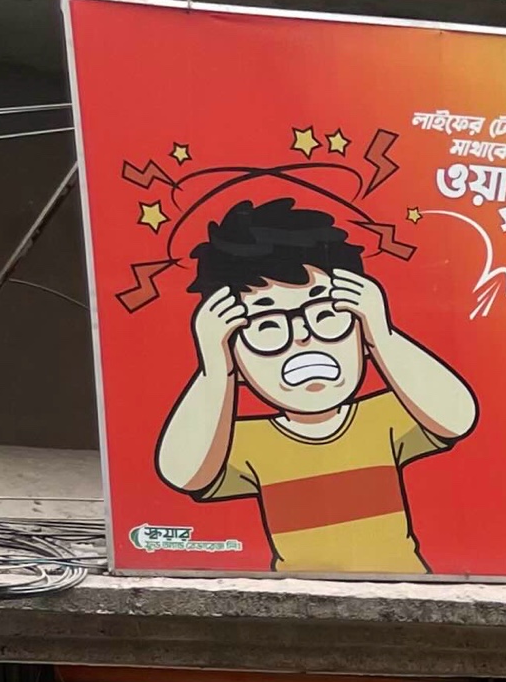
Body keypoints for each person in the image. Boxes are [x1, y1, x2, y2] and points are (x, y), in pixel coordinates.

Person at [156, 197, 477, 573]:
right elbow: (183, 473)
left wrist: (383, 334)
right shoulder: (247, 443)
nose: (303, 338)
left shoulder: (382, 419)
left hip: (403, 581)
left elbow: (457, 417)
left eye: (325, 315)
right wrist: (213, 366)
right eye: (268, 325)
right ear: (236, 362)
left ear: (361, 334)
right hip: (292, 591)